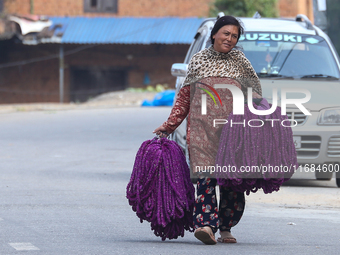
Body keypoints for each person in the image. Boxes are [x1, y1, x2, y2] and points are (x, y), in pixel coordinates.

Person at [153, 16, 262, 245]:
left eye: (234, 36)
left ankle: (225, 227)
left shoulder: (241, 63)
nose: (229, 39)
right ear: (214, 34)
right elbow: (184, 97)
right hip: (202, 132)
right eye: (226, 34)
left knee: (232, 183)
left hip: (233, 134)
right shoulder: (199, 61)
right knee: (206, 179)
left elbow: (255, 97)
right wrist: (169, 125)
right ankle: (205, 225)